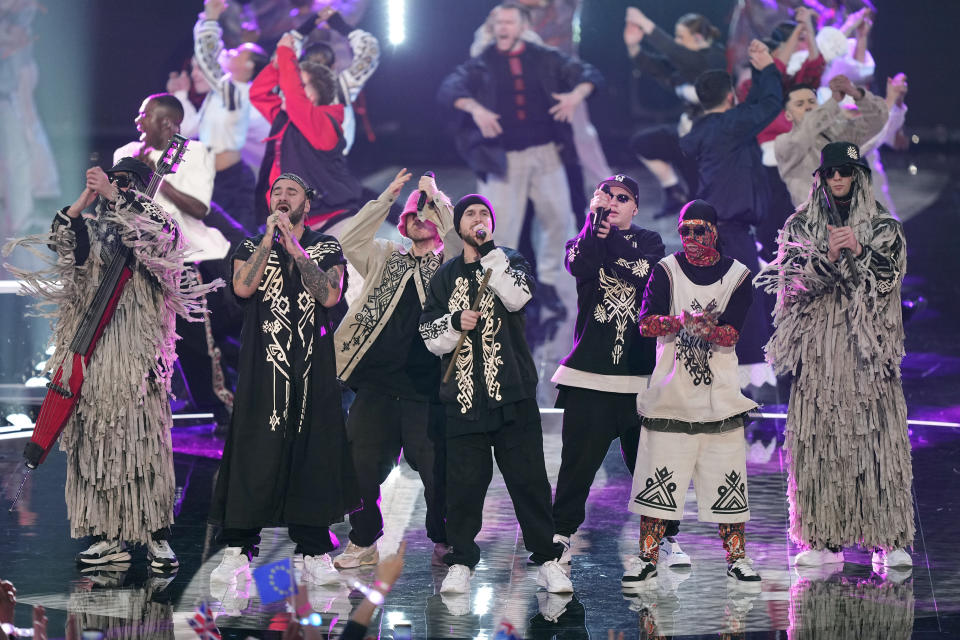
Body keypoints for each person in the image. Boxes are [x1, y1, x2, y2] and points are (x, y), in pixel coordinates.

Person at [3, 158, 216, 571]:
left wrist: (117, 195)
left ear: (138, 187)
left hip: (136, 356)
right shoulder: (98, 230)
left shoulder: (156, 222)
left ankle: (155, 535)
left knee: (142, 446)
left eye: (122, 182)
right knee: (95, 447)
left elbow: (157, 242)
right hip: (93, 357)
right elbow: (65, 245)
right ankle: (107, 536)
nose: (111, 188)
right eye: (109, 181)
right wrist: (82, 203)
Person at [755, 141, 914, 569]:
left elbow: (889, 281)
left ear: (859, 175)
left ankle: (889, 537)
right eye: (831, 172)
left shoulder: (883, 226)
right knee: (819, 442)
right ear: (821, 179)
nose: (839, 178)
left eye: (846, 170)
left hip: (867, 352)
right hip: (820, 353)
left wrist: (860, 253)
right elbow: (789, 288)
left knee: (877, 441)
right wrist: (826, 258)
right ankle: (822, 539)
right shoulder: (800, 226)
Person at [418, 193, 572, 595]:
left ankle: (546, 557)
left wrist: (490, 254)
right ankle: (462, 561)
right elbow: (430, 336)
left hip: (513, 395)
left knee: (529, 482)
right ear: (458, 226)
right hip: (464, 399)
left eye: (485, 213)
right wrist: (454, 320)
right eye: (470, 214)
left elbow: (518, 296)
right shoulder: (444, 275)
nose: (478, 218)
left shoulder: (510, 260)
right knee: (464, 486)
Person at [209, 173, 359, 585]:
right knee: (253, 451)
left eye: (291, 191)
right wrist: (268, 241)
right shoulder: (247, 246)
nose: (282, 197)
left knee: (313, 452)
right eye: (276, 191)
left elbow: (329, 295)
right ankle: (238, 547)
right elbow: (243, 288)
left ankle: (312, 549)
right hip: (263, 369)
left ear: (306, 203)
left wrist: (293, 246)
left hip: (312, 368)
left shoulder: (326, 246)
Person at [625, 200, 761, 590]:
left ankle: (737, 558)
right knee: (657, 478)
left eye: (700, 230)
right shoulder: (665, 271)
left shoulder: (738, 275)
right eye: (685, 231)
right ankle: (646, 557)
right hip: (672, 396)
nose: (692, 239)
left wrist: (708, 330)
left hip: (720, 399)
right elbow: (647, 324)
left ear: (715, 231)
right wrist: (681, 321)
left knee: (727, 479)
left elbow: (733, 333)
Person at [436, 1, 603, 309]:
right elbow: (449, 88)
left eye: (509, 23)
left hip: (546, 154)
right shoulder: (482, 62)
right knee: (499, 227)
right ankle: (499, 289)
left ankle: (552, 284)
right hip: (503, 160)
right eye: (499, 23)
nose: (502, 28)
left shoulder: (543, 57)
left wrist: (574, 97)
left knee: (557, 220)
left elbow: (588, 73)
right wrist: (475, 109)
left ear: (523, 28)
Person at [331, 169, 458, 569]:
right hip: (376, 387)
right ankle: (365, 538)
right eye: (412, 214)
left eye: (427, 213)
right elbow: (348, 240)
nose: (419, 218)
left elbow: (456, 235)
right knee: (358, 467)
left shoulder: (452, 267)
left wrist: (434, 197)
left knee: (439, 473)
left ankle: (444, 539)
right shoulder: (386, 255)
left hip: (428, 390)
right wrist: (386, 198)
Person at [549, 175, 676, 565]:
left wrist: (609, 238)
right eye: (607, 197)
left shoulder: (652, 242)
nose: (615, 203)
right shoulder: (581, 240)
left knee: (651, 465)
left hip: (638, 378)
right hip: (588, 376)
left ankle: (665, 540)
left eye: (622, 198)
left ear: (635, 206)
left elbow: (646, 273)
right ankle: (560, 536)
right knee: (576, 466)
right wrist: (594, 227)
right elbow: (581, 264)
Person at [114, 93, 239, 430]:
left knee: (198, 340)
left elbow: (199, 208)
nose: (138, 121)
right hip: (139, 258)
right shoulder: (125, 153)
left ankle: (226, 409)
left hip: (186, 258)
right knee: (139, 337)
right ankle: (138, 411)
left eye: (146, 115)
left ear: (168, 123)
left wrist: (159, 179)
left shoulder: (194, 152)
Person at [679, 41, 781, 384]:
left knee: (712, 305)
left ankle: (708, 379)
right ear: (730, 97)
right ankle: (743, 388)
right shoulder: (731, 125)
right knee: (743, 307)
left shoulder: (698, 132)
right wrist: (765, 67)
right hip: (731, 233)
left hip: (704, 233)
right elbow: (768, 104)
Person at [250, 32, 364, 235]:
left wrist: (285, 52)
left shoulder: (324, 123)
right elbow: (258, 94)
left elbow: (294, 98)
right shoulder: (286, 119)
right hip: (297, 224)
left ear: (310, 95)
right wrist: (276, 66)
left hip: (333, 223)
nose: (285, 87)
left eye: (296, 83)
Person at [623, 9, 727, 218]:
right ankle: (673, 192)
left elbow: (678, 54)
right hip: (686, 137)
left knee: (702, 205)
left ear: (698, 38)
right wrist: (633, 45)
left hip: (709, 146)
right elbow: (656, 66)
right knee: (643, 143)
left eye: (681, 37)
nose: (677, 42)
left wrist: (646, 23)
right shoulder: (683, 65)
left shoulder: (714, 58)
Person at [181, 0, 269, 233]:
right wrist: (206, 20)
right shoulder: (223, 91)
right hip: (212, 179)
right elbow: (208, 55)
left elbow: (209, 58)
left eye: (239, 52)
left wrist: (211, 17)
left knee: (242, 247)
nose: (231, 51)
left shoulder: (235, 92)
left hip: (232, 181)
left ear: (249, 65)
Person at [774, 74, 887, 208]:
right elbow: (807, 131)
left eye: (812, 102)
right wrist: (833, 102)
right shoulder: (783, 142)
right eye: (800, 104)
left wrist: (856, 94)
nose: (808, 107)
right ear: (788, 115)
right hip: (812, 223)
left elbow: (876, 123)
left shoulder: (834, 134)